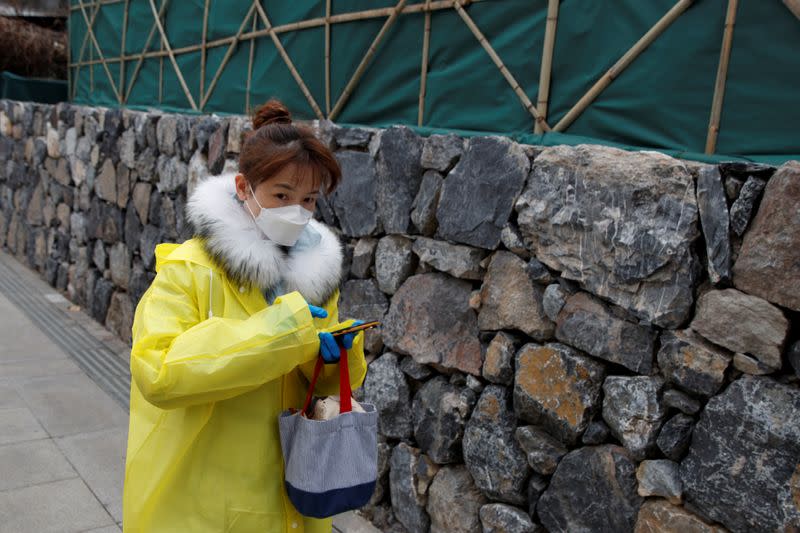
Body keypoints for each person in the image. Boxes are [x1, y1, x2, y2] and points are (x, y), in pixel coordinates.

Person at [123, 100, 367, 532]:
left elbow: (315, 381)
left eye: (309, 199)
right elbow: (157, 370)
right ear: (243, 186)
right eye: (282, 195)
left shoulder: (314, 273)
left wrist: (333, 361)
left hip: (294, 498)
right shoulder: (191, 269)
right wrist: (280, 333)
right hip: (202, 504)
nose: (298, 211)